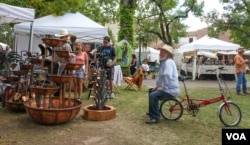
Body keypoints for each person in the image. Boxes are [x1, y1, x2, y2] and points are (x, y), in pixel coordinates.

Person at [146, 44, 180, 124]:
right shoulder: (165, 62)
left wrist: (163, 87)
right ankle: (153, 111)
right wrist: (157, 87)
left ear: (167, 54)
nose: (160, 53)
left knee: (153, 95)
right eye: (160, 51)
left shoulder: (168, 63)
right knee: (151, 91)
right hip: (168, 88)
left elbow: (167, 76)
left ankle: (155, 117)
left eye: (163, 52)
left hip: (170, 90)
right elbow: (162, 78)